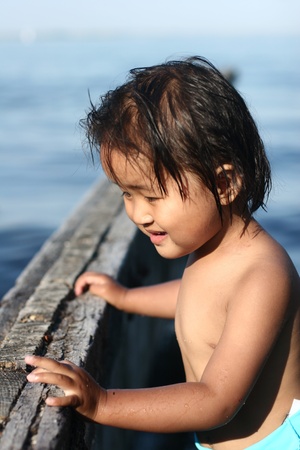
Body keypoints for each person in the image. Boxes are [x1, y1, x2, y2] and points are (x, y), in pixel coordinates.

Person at [25, 56, 300, 449]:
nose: (138, 213)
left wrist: (103, 403)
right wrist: (126, 298)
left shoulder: (263, 275)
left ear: (224, 184)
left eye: (151, 196)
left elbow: (215, 400)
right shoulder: (215, 248)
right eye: (127, 194)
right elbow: (196, 299)